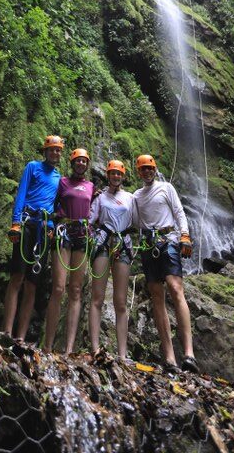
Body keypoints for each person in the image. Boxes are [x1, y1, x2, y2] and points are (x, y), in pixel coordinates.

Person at [132, 154, 198, 373]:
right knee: (157, 296)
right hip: (148, 245)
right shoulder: (136, 196)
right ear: (138, 172)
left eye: (150, 168)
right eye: (143, 169)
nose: (147, 172)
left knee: (175, 287)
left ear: (155, 169)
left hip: (168, 240)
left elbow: (179, 212)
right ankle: (169, 358)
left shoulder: (166, 188)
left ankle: (189, 354)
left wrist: (185, 236)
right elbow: (132, 220)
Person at [2, 135, 64, 341]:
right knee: (17, 277)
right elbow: (21, 194)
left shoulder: (58, 177)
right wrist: (15, 222)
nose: (55, 153)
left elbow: (56, 206)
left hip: (44, 229)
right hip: (27, 224)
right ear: (45, 151)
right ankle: (6, 332)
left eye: (58, 150)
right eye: (52, 149)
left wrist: (52, 226)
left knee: (32, 283)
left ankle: (20, 337)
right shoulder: (32, 167)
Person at [44, 148, 95, 354]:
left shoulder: (91, 186)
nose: (81, 164)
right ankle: (47, 346)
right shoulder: (62, 182)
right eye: (78, 161)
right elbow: (51, 204)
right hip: (63, 233)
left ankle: (69, 349)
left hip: (82, 236)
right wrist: (49, 226)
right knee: (58, 288)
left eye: (84, 161)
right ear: (72, 163)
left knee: (75, 290)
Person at [88, 159, 134, 360]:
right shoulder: (99, 198)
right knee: (97, 297)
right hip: (103, 242)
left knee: (121, 302)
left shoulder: (131, 198)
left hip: (122, 244)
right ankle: (95, 348)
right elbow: (89, 221)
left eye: (119, 173)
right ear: (108, 175)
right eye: (112, 173)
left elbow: (138, 220)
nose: (116, 176)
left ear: (123, 176)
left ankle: (122, 354)